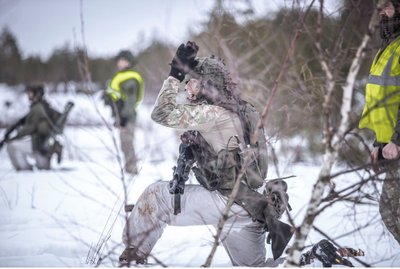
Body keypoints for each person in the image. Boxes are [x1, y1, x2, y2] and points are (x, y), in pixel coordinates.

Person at [118, 41, 292, 266]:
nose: (187, 87)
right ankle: (309, 260)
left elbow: (160, 113)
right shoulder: (242, 109)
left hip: (229, 202)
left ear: (207, 85)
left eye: (192, 82)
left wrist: (175, 75)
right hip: (253, 206)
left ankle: (131, 259)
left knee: (155, 196)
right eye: (187, 82)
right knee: (254, 267)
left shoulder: (212, 113)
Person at [359, 0, 400, 245]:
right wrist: (379, 142)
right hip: (390, 145)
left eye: (388, 7)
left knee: (391, 211)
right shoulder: (388, 47)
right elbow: (384, 101)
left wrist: (396, 140)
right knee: (391, 212)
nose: (382, 12)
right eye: (380, 8)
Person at [0, 85, 64, 171]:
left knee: (11, 146)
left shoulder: (37, 109)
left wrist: (12, 138)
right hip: (44, 145)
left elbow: (29, 128)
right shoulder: (44, 106)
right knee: (43, 167)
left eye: (30, 94)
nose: (28, 96)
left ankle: (24, 169)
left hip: (39, 144)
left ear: (37, 94)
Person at [104, 50, 144, 175]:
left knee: (127, 143)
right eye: (119, 61)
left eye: (122, 60)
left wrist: (124, 117)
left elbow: (130, 100)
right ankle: (128, 169)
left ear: (129, 61)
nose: (119, 63)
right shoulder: (122, 75)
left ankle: (132, 170)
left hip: (127, 117)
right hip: (121, 115)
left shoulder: (131, 78)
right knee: (124, 143)